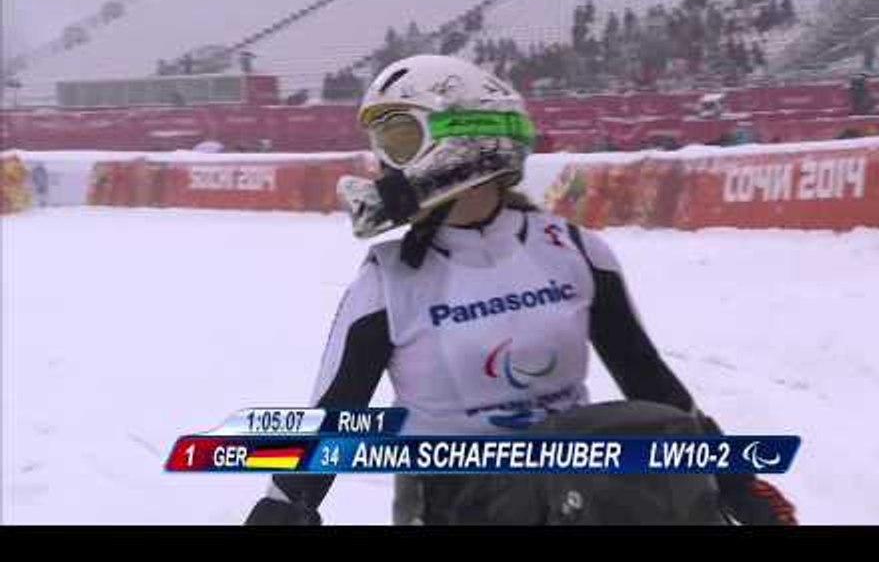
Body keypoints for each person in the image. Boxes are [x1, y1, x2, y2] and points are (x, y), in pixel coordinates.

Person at [244, 55, 797, 527]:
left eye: (400, 138)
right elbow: (336, 418)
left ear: (462, 133)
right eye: (381, 145)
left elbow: (651, 382)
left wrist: (734, 482)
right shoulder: (386, 281)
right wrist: (281, 509)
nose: (386, 165)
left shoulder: (574, 251)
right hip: (455, 502)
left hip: (578, 491)